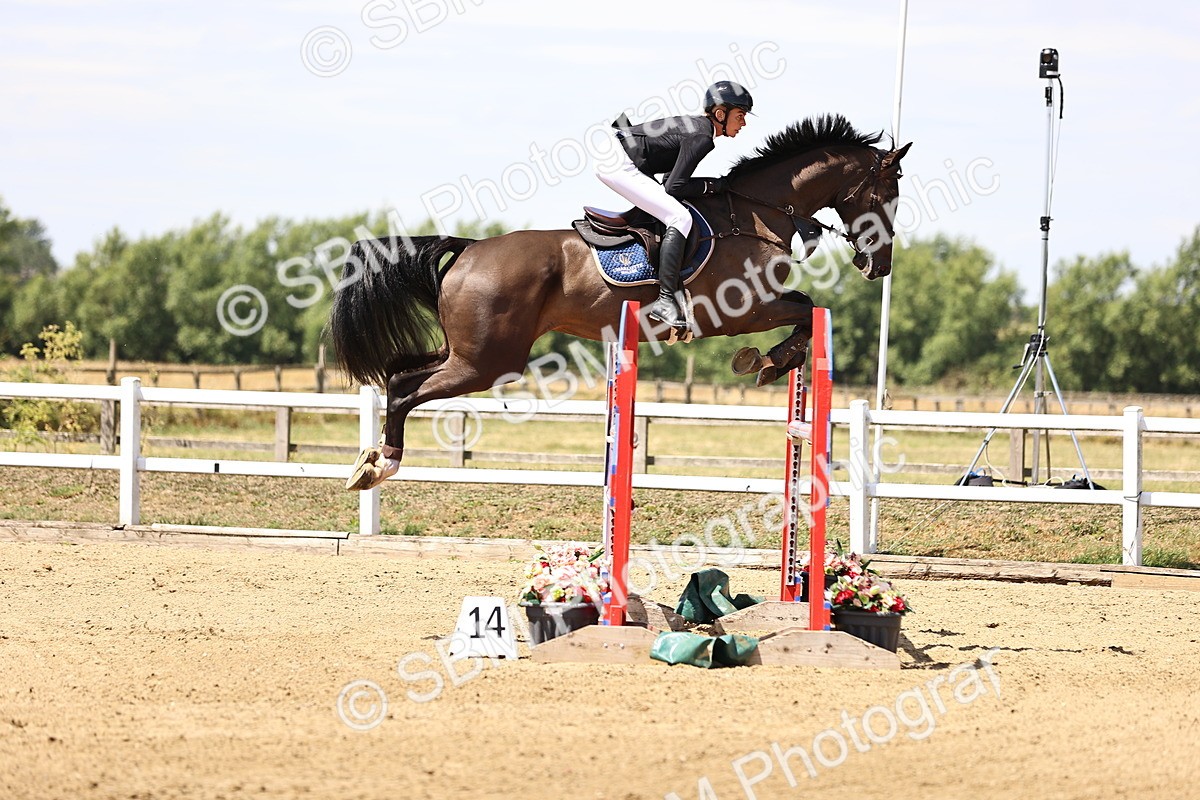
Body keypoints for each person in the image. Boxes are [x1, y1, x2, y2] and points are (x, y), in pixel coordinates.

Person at [596, 80, 753, 331]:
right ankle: (665, 300)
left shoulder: (700, 129)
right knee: (680, 218)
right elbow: (674, 187)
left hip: (618, 154)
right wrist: (714, 186)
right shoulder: (702, 136)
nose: (743, 123)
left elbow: (671, 178)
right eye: (740, 115)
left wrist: (713, 186)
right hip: (618, 162)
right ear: (720, 114)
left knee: (673, 210)